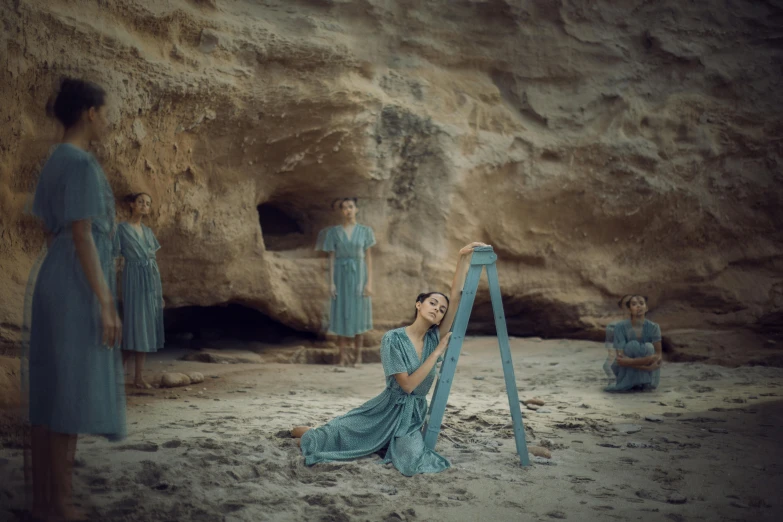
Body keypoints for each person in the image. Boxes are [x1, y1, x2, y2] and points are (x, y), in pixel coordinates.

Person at [291, 242, 489, 476]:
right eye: (432, 303)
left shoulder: (435, 336)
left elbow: (456, 297)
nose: (437, 309)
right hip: (383, 410)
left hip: (411, 416)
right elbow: (406, 385)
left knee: (411, 457)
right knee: (328, 435)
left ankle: (384, 442)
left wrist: (462, 258)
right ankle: (301, 431)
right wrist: (437, 355)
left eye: (442, 309)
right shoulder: (392, 339)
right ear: (419, 304)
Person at [24, 77, 126, 521]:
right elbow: (83, 235)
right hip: (78, 284)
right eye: (104, 113)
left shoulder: (54, 160)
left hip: (52, 276)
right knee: (67, 391)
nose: (107, 121)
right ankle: (60, 503)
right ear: (89, 112)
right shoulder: (81, 163)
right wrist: (105, 301)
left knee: (50, 391)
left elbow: (52, 230)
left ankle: (44, 498)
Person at [116, 192, 165, 389]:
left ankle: (138, 377)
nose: (144, 206)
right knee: (133, 326)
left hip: (149, 279)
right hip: (132, 278)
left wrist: (158, 294)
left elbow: (153, 260)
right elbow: (113, 255)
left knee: (145, 327)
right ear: (131, 205)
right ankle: (116, 374)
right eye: (140, 202)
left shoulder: (148, 231)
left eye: (147, 203)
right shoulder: (121, 229)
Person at [320, 198, 376, 366]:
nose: (348, 210)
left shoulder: (365, 231)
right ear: (341, 212)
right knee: (340, 312)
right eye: (344, 208)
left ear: (356, 209)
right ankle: (342, 357)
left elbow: (369, 258)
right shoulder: (333, 232)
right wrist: (331, 283)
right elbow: (331, 258)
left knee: (359, 313)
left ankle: (358, 357)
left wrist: (369, 283)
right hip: (341, 276)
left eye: (351, 207)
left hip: (359, 275)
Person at [605, 295, 663, 392]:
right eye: (634, 304)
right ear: (629, 309)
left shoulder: (654, 327)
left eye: (641, 303)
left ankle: (641, 382)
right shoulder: (620, 327)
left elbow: (658, 355)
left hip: (647, 371)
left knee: (649, 346)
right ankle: (634, 382)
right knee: (632, 345)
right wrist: (647, 362)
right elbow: (621, 358)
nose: (638, 306)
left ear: (646, 308)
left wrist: (632, 363)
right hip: (626, 370)